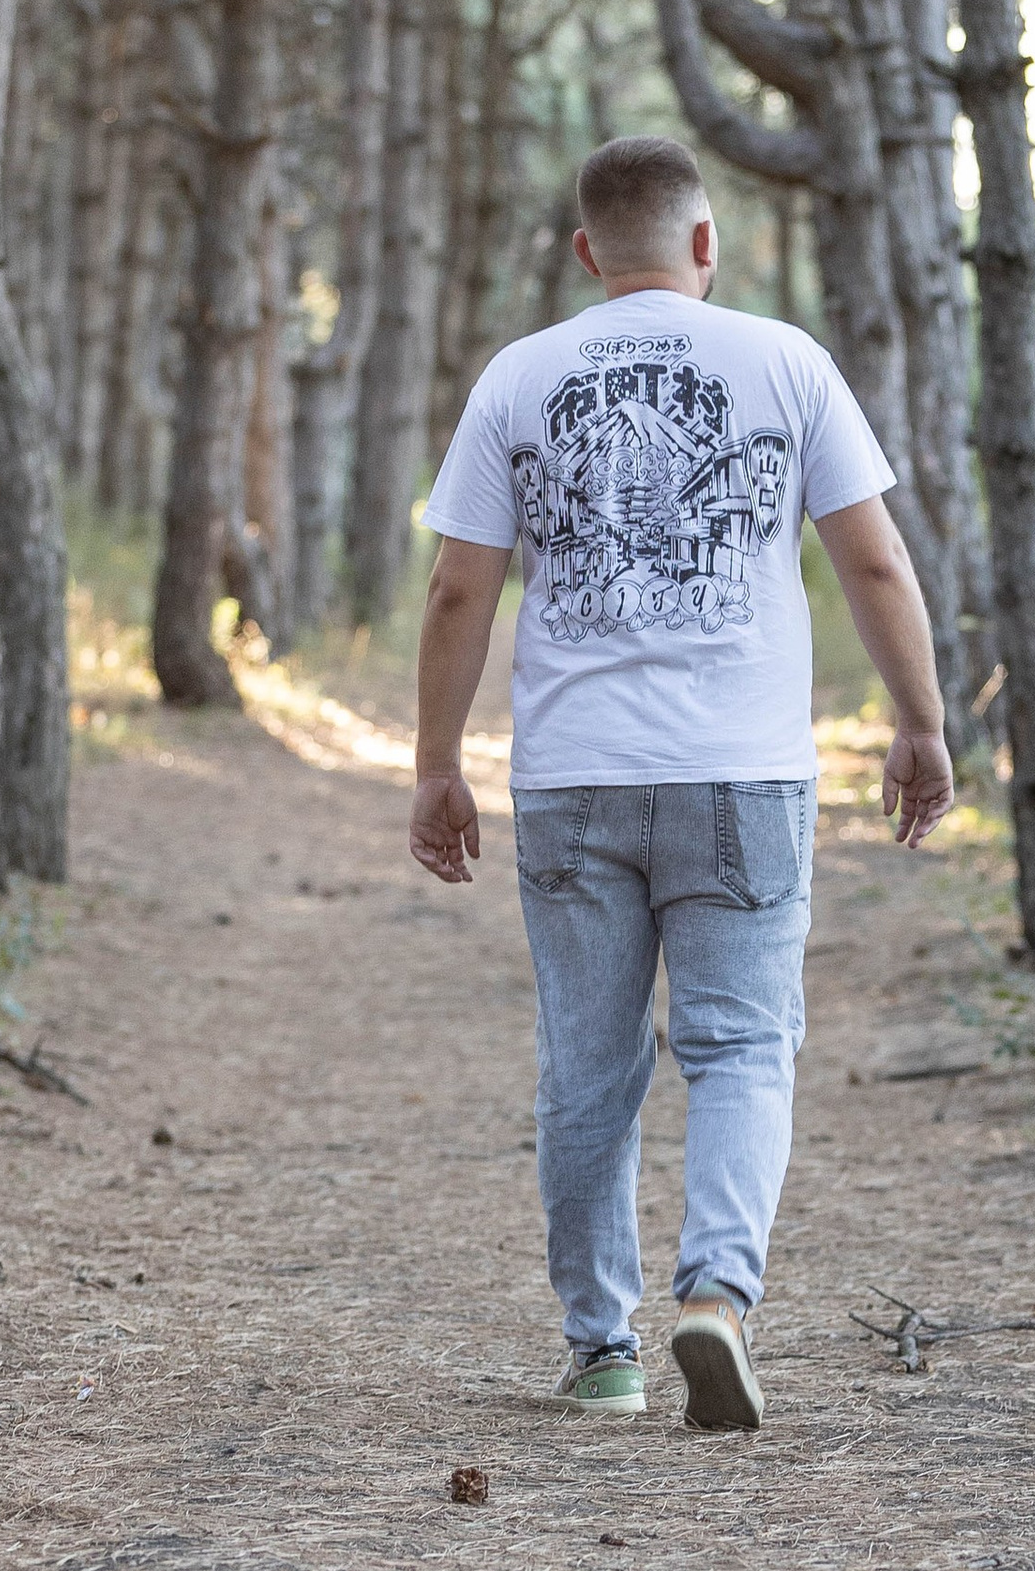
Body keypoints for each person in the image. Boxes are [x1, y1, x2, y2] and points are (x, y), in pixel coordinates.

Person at [409, 131, 956, 1430]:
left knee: (587, 1068)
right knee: (743, 1047)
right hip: (743, 775)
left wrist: (437, 764)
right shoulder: (785, 362)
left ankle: (602, 1350)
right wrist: (921, 722)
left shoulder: (518, 378)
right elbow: (873, 567)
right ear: (706, 245)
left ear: (589, 251)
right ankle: (717, 1292)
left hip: (572, 779)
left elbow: (457, 589)